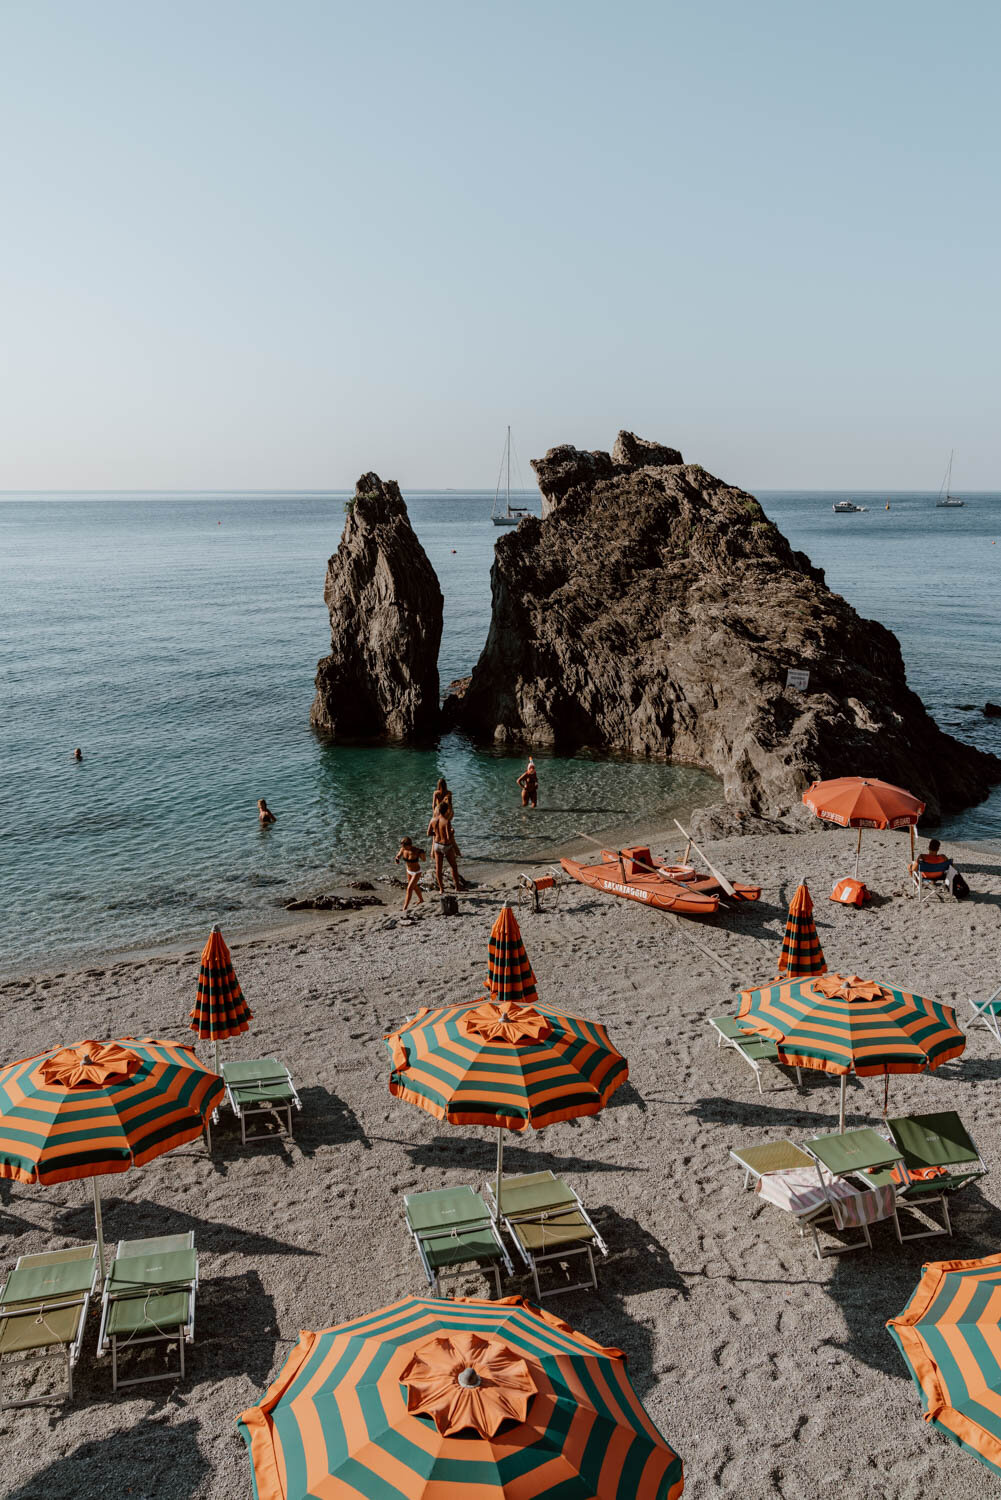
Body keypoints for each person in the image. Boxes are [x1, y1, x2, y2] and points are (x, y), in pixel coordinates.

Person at [427, 803, 464, 892]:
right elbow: (448, 837)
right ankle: (457, 887)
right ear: (447, 810)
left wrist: (436, 834)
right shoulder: (446, 821)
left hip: (436, 845)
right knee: (454, 867)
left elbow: (428, 833)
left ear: (438, 810)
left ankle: (441, 889)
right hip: (446, 846)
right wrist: (452, 832)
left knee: (438, 868)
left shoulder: (432, 819)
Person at [394, 836, 427, 909]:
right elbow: (398, 855)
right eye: (402, 846)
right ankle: (421, 900)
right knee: (414, 886)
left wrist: (422, 854)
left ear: (409, 845)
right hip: (408, 871)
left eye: (404, 846)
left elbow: (424, 860)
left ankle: (405, 907)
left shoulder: (416, 851)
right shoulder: (403, 849)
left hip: (416, 872)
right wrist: (397, 859)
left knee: (409, 888)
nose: (403, 847)